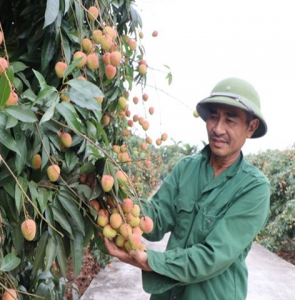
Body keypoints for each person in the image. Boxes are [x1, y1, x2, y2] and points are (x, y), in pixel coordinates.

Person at [103, 77, 270, 300]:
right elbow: (156, 218)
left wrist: (151, 261)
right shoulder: (186, 168)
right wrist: (117, 200)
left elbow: (212, 256)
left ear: (251, 127)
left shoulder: (254, 188)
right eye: (213, 117)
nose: (218, 129)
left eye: (230, 121)